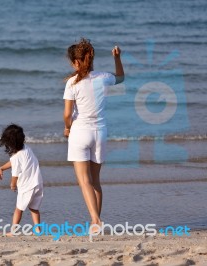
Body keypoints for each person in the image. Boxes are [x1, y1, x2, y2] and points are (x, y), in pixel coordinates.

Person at [63, 38, 124, 230]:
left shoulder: (72, 82)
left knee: (84, 180)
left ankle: (95, 220)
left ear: (76, 62)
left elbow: (67, 114)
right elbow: (121, 77)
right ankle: (95, 222)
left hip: (80, 132)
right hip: (100, 133)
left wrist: (67, 127)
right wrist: (117, 58)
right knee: (95, 181)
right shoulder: (103, 77)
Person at [0, 124, 43, 236]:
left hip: (27, 186)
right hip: (38, 182)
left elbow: (15, 173)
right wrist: (2, 167)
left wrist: (13, 185)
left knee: (19, 209)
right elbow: (14, 163)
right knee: (34, 208)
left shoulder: (16, 156)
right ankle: (37, 229)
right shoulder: (27, 149)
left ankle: (14, 230)